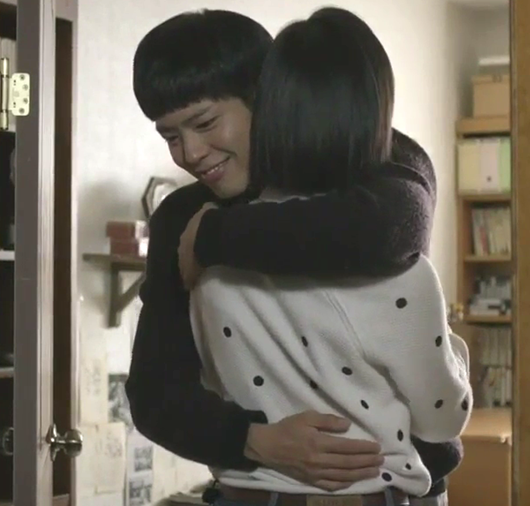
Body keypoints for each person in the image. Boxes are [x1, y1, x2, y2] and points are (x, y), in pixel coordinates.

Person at [125, 8, 462, 505]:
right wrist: (255, 441)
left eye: (205, 123)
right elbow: (155, 395)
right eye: (170, 136)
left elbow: (388, 226)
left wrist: (213, 238)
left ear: (268, 98)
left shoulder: (372, 169)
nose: (190, 153)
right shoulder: (182, 216)